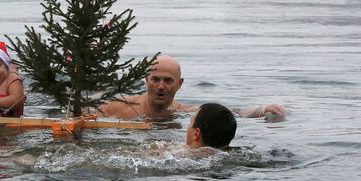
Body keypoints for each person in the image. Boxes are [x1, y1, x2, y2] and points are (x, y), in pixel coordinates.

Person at [97, 55, 287, 120]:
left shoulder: (181, 112)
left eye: (168, 81)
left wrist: (262, 110)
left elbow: (228, 113)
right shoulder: (119, 107)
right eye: (155, 79)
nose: (161, 86)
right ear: (146, 80)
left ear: (179, 84)